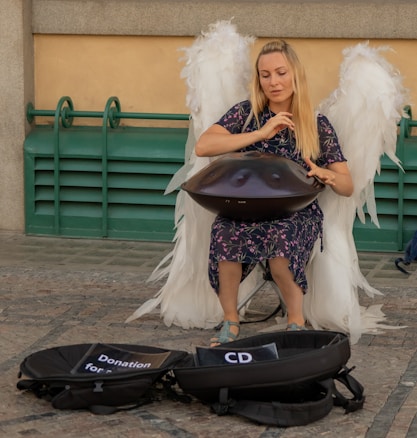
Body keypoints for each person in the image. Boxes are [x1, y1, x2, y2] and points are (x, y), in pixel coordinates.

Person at [194, 40, 354, 347]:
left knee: (282, 238)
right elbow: (204, 146)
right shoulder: (246, 113)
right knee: (225, 230)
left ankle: (296, 321)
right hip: (247, 207)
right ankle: (230, 320)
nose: (274, 82)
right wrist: (260, 133)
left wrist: (327, 174)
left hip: (295, 211)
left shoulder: (316, 124)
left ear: (296, 74)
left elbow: (347, 187)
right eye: (265, 75)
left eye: (281, 72)